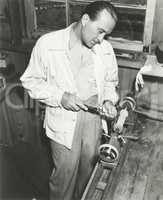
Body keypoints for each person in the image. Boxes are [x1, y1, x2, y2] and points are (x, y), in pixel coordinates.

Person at [20, 1, 119, 199]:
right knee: (63, 178)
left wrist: (108, 101)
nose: (101, 39)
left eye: (105, 34)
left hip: (93, 120)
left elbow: (110, 83)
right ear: (84, 19)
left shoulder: (105, 49)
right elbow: (30, 81)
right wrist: (60, 97)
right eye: (99, 31)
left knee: (88, 175)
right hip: (64, 119)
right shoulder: (48, 44)